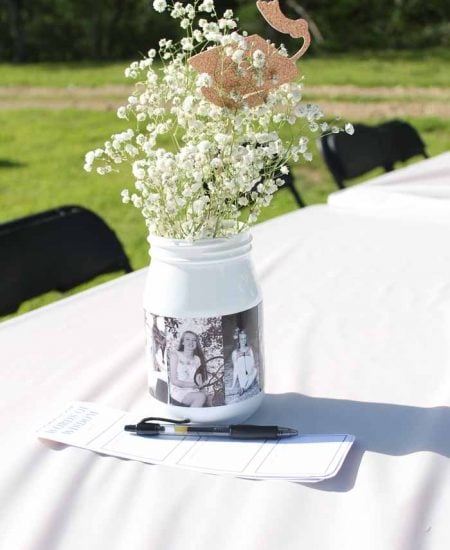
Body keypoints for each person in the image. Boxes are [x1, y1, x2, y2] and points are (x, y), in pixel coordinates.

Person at [169, 331, 208, 407]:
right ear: (183, 342)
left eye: (194, 340)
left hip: (193, 390)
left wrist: (202, 386)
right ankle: (191, 417)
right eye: (187, 339)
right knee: (201, 397)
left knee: (206, 397)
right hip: (179, 390)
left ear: (196, 344)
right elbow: (174, 381)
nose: (191, 342)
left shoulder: (197, 359)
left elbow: (198, 379)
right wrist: (192, 385)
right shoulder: (175, 355)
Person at [231, 329, 258, 395]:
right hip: (242, 374)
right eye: (241, 339)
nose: (243, 340)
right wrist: (233, 385)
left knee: (255, 370)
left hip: (250, 373)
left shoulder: (249, 349)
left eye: (244, 338)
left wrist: (251, 371)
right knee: (240, 361)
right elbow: (235, 369)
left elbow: (253, 364)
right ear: (238, 340)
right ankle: (244, 387)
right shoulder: (235, 352)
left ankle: (244, 388)